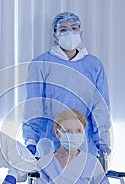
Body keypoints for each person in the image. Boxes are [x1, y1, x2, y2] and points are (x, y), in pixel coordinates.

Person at [22, 11, 111, 157]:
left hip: (83, 141)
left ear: (80, 31)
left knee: (82, 176)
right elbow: (34, 103)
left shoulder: (93, 65)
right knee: (50, 176)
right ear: (55, 35)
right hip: (50, 140)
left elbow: (100, 106)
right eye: (63, 29)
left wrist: (102, 139)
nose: (70, 33)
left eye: (74, 28)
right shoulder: (42, 64)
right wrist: (31, 139)